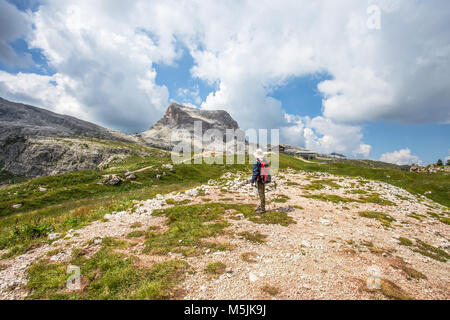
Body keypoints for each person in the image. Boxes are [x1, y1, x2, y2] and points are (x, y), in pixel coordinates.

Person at [251, 149, 266, 213]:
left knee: (261, 194)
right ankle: (261, 206)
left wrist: (252, 181)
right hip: (263, 178)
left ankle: (262, 209)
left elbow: (255, 173)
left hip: (259, 179)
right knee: (262, 193)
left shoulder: (256, 161)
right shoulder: (264, 160)